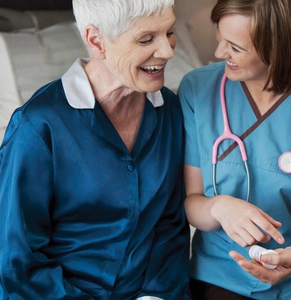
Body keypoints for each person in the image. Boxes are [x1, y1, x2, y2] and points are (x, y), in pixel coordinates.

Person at [0, 0, 191, 299]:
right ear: (96, 41)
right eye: (146, 39)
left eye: (169, 32)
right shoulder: (37, 126)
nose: (168, 50)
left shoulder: (171, 112)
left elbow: (170, 226)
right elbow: (17, 258)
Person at [178, 0, 291, 299]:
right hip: (221, 274)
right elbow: (192, 201)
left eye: (235, 47)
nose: (220, 54)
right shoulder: (198, 88)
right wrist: (219, 206)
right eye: (220, 40)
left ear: (278, 49)